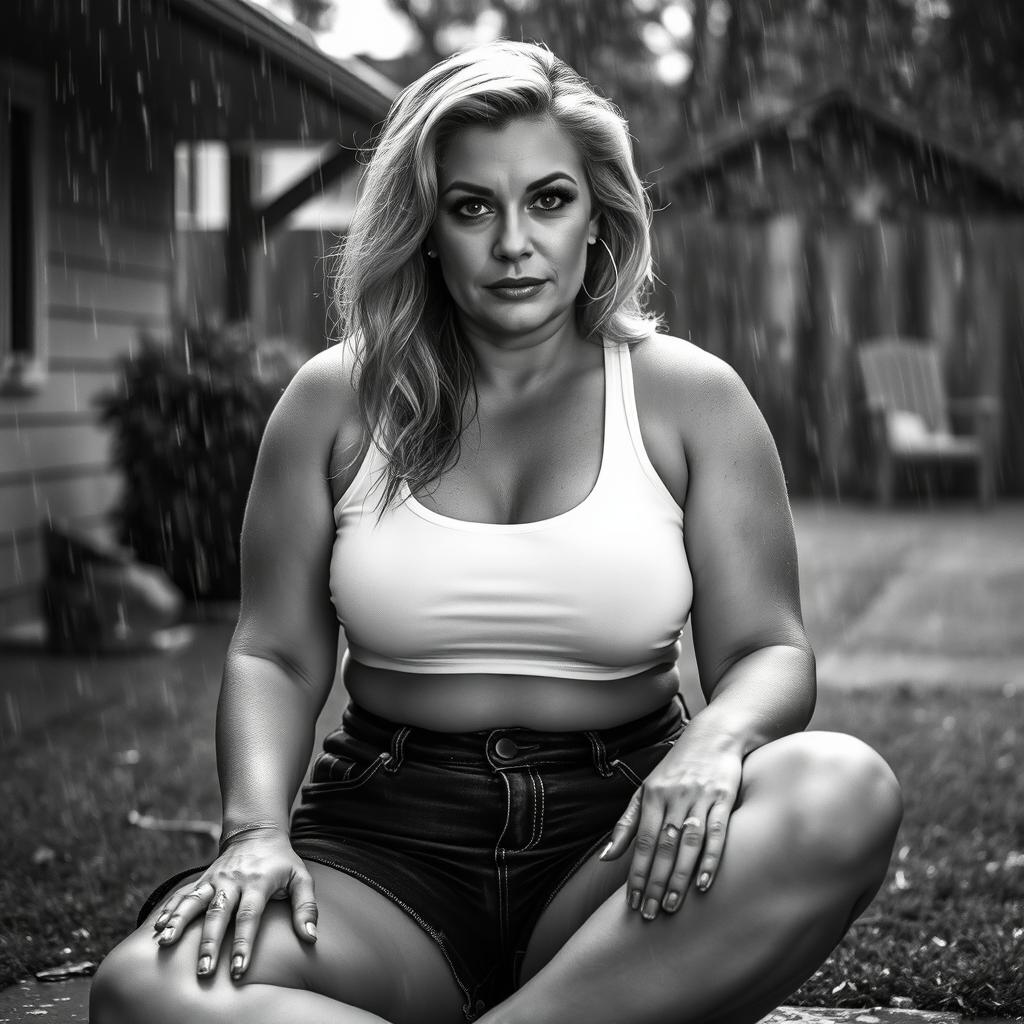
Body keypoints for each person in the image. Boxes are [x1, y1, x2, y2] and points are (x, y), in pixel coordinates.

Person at [90, 40, 902, 1024]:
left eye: (549, 200)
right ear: (426, 227)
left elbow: (770, 648)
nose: (513, 242)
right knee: (148, 990)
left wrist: (717, 743)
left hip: (622, 841)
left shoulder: (690, 397)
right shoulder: (334, 401)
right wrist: (253, 831)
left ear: (598, 214)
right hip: (386, 849)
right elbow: (273, 651)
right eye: (473, 206)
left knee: (842, 787)